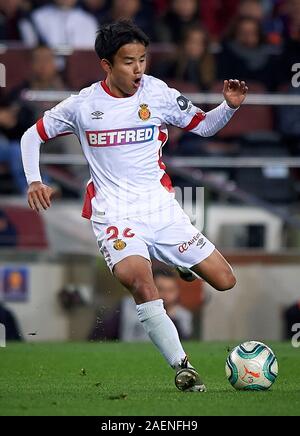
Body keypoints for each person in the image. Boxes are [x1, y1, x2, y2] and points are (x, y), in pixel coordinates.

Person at [20, 20, 248, 392]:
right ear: (106, 66)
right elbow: (33, 135)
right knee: (139, 281)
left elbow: (203, 127)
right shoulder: (83, 105)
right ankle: (183, 368)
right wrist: (34, 179)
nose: (138, 69)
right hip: (114, 214)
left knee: (225, 281)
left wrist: (230, 106)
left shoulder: (157, 93)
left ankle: (178, 263)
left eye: (142, 59)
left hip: (161, 210)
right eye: (128, 62)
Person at [89, 268, 193, 341]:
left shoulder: (183, 315)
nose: (166, 295)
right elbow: (101, 334)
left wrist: (170, 317)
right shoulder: (128, 306)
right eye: (161, 289)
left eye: (171, 290)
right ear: (151, 288)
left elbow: (185, 347)